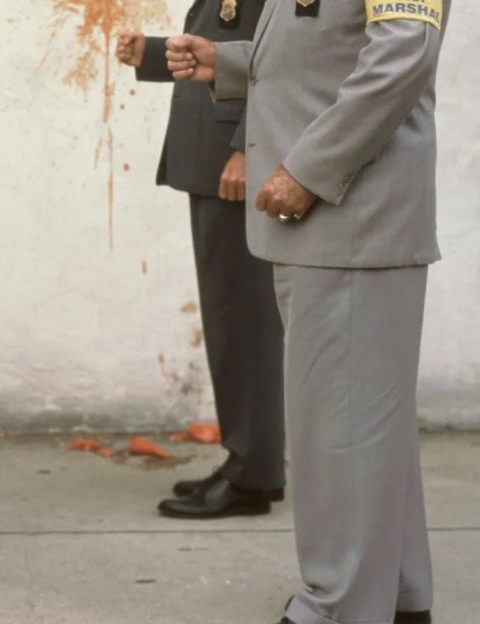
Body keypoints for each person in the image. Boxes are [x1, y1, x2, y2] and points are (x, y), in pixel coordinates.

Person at [166, 0, 449, 621]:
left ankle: (339, 605)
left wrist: (308, 170)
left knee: (338, 431)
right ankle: (399, 595)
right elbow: (322, 46)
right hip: (335, 229)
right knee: (368, 432)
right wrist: (230, 61)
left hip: (352, 219)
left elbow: (400, 59)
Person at [116, 0, 286, 519]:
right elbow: (221, 41)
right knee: (232, 319)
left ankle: (253, 474)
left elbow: (280, 59)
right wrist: (150, 54)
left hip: (232, 163)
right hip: (213, 161)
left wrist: (248, 148)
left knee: (245, 323)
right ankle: (253, 463)